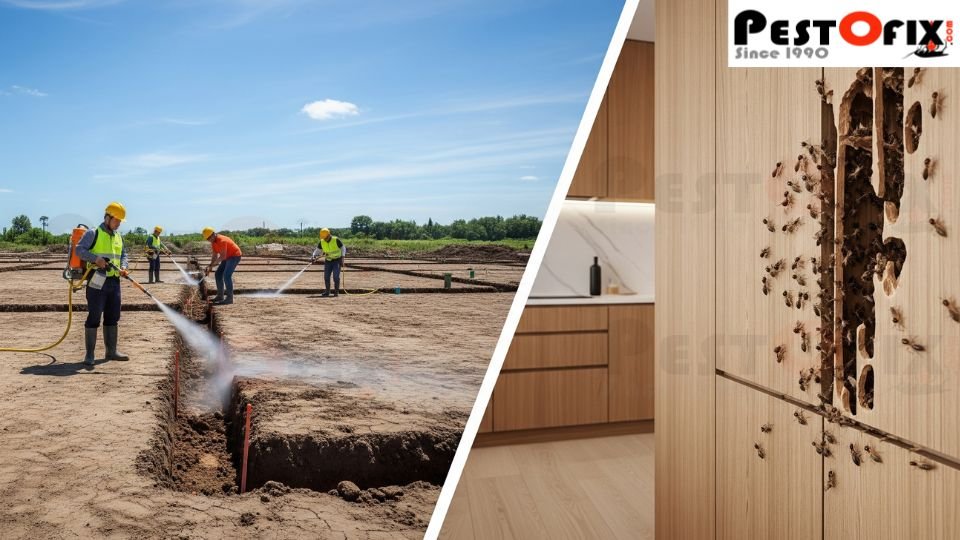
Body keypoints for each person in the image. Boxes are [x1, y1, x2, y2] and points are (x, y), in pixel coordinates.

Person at [75, 202, 131, 366]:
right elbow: (79, 250)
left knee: (113, 316)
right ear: (107, 218)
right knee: (94, 315)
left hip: (114, 281)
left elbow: (124, 255)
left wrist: (124, 266)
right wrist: (96, 259)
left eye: (120, 221)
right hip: (97, 281)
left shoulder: (119, 236)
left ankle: (111, 351)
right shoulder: (94, 233)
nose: (119, 223)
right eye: (117, 220)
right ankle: (90, 354)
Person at [202, 227, 242, 305]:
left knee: (226, 276)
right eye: (207, 239)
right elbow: (214, 255)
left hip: (234, 256)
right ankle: (220, 296)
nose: (209, 240)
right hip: (227, 257)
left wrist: (212, 265)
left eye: (210, 238)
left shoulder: (222, 240)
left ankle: (230, 299)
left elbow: (222, 256)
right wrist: (210, 266)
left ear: (213, 234)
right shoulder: (213, 243)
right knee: (218, 274)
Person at [311, 228, 345, 297]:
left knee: (336, 277)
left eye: (325, 237)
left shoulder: (336, 240)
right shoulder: (322, 241)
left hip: (337, 260)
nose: (324, 239)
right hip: (328, 261)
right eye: (323, 238)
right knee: (326, 277)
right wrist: (313, 256)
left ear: (329, 235)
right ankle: (327, 292)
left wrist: (342, 258)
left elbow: (343, 248)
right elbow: (317, 250)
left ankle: (336, 292)